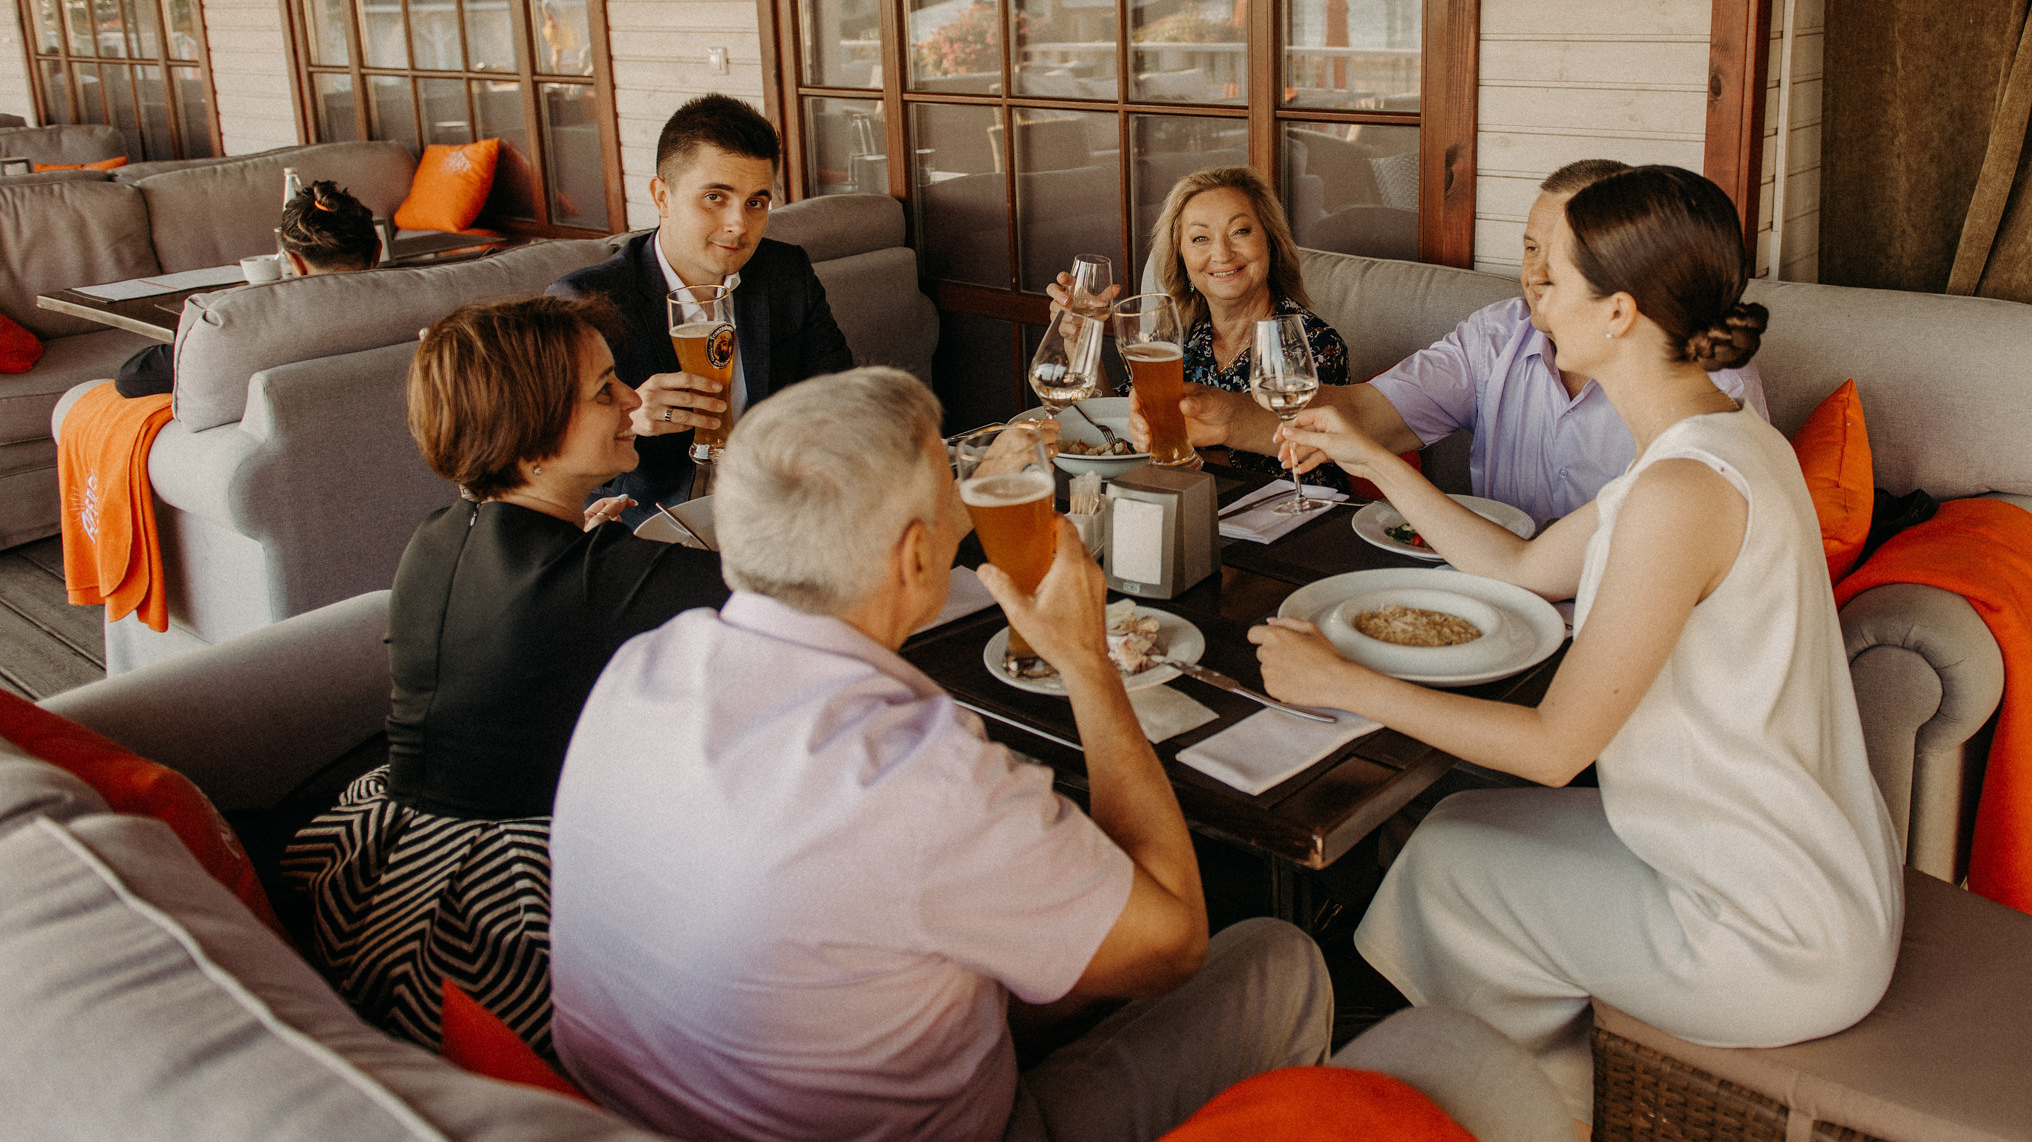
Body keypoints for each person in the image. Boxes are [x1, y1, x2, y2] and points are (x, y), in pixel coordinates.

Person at [1247, 166, 1902, 1120]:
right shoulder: (1708, 442)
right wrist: (1378, 463)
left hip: (1768, 928)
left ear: (1621, 313)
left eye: (1550, 281)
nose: (1532, 302)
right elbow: (1519, 571)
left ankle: (1503, 1104)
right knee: (1446, 847)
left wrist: (1344, 681)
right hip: (1806, 860)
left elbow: (1557, 750)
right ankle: (1533, 1097)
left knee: (1456, 879)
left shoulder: (1679, 494)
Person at [549, 368, 1332, 1142]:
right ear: (919, 557)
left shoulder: (641, 668)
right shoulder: (918, 774)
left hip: (630, 1113)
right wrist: (1087, 662)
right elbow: (1172, 946)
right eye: (949, 494)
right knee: (1278, 959)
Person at [280, 297, 730, 1059]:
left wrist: (586, 545)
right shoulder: (593, 581)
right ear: (531, 452)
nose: (633, 400)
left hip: (383, 850)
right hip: (493, 910)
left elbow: (531, 616)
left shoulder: (437, 535)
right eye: (604, 391)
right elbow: (799, 594)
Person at [1130, 159, 1764, 527]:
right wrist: (1227, 417)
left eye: (1563, 258)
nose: (1536, 276)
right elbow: (1366, 415)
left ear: (1620, 290)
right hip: (1497, 587)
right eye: (1529, 248)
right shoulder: (1497, 336)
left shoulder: (1704, 403)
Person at [550, 94, 853, 517]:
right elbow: (545, 462)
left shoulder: (785, 273)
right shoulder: (584, 303)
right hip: (653, 528)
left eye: (756, 202)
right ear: (662, 197)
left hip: (780, 511)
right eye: (715, 197)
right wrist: (627, 420)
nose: (739, 225)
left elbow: (841, 398)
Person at [1048, 166, 1349, 488]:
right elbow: (1117, 422)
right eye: (1200, 238)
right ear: (1182, 258)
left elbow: (1290, 464)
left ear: (1270, 242)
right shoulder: (1182, 338)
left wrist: (1148, 456)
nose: (1221, 253)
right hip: (1178, 500)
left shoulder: (1313, 343)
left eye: (1241, 231)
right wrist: (1082, 341)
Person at [113, 178, 382, 398]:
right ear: (378, 251)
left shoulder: (237, 326)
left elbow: (133, 377)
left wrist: (192, 333)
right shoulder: (416, 299)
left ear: (294, 262)